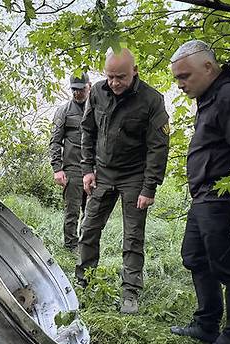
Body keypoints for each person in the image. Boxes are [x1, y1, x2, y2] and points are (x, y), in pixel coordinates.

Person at [169, 40, 230, 344]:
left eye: (185, 76)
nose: (181, 84)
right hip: (205, 197)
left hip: (225, 200)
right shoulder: (209, 94)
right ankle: (206, 323)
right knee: (195, 257)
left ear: (208, 68)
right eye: (177, 78)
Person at [76, 47, 170, 314]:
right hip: (102, 174)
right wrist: (87, 169)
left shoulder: (152, 100)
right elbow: (88, 131)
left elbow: (158, 147)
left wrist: (149, 187)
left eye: (121, 77)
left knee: (132, 237)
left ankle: (130, 292)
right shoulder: (96, 92)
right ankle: (84, 283)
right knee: (89, 228)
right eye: (111, 77)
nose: (115, 83)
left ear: (135, 72)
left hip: (134, 177)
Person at [49, 73, 91, 251]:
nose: (77, 93)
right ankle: (70, 249)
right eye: (74, 89)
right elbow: (55, 142)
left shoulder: (98, 110)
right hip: (72, 170)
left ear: (89, 86)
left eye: (81, 89)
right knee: (71, 213)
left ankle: (86, 247)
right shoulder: (63, 111)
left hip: (93, 170)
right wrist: (57, 169)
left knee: (91, 214)